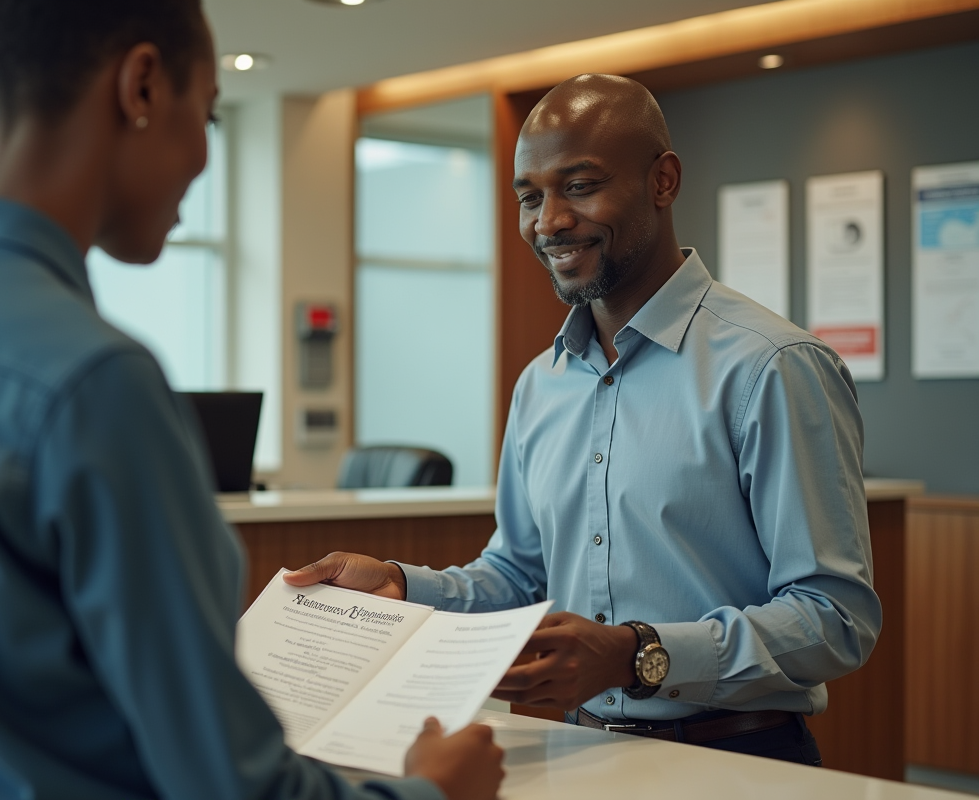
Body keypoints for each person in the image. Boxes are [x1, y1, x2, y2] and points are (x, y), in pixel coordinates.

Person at [0, 2, 504, 798]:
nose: (204, 157)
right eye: (211, 113)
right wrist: (433, 791)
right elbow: (232, 788)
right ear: (143, 85)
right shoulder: (94, 384)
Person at [286, 74, 881, 766]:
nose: (549, 222)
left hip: (737, 764)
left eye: (579, 185)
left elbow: (836, 619)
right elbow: (515, 578)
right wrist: (400, 585)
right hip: (573, 751)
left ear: (663, 182)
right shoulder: (543, 384)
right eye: (530, 196)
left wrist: (637, 654)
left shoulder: (771, 366)